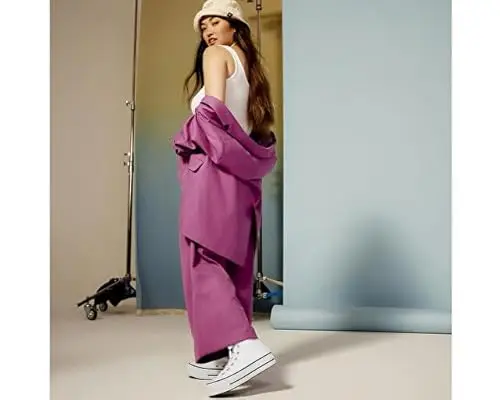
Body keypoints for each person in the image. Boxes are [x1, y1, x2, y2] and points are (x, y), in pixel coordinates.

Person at [172, 0, 278, 397]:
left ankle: (243, 345)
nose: (208, 32)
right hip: (240, 177)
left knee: (203, 257)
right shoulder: (250, 72)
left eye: (215, 22)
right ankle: (220, 352)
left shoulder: (216, 55)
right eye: (203, 27)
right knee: (231, 262)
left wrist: (187, 135)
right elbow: (240, 125)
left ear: (235, 26)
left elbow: (212, 112)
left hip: (213, 171)